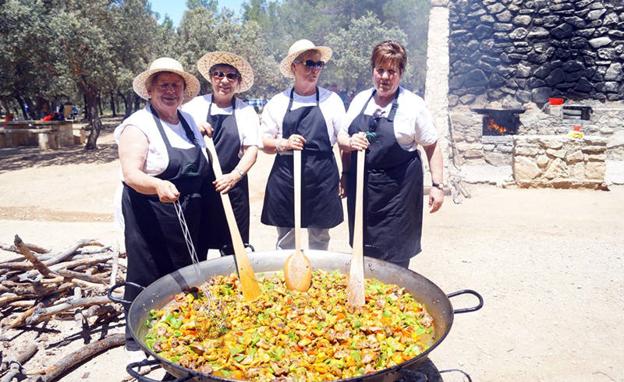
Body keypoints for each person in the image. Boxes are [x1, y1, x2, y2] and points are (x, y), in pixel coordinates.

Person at [113, 57, 205, 351]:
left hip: (188, 211)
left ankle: (183, 330)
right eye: (163, 85)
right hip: (150, 212)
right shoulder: (137, 125)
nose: (170, 91)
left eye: (176, 85)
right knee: (149, 271)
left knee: (187, 270)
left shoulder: (188, 120)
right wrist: (157, 185)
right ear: (150, 91)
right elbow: (131, 174)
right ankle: (139, 338)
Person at [338, 40, 445, 269]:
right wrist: (347, 159)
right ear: (373, 70)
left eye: (391, 71)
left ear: (400, 73)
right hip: (363, 193)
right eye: (380, 70)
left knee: (395, 259)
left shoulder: (413, 105)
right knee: (363, 252)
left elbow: (432, 145)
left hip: (399, 197)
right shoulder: (360, 100)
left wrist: (437, 185)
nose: (385, 77)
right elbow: (341, 137)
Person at [260, 39, 346, 250]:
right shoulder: (278, 102)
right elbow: (263, 141)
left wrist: (346, 174)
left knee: (320, 236)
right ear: (294, 66)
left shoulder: (332, 100)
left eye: (318, 64)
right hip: (286, 177)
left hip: (322, 177)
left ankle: (319, 278)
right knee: (286, 238)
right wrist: (283, 143)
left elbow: (342, 139)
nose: (314, 69)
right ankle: (287, 278)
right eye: (309, 63)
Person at [182, 51, 259, 255]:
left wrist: (234, 176)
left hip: (233, 189)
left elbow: (252, 150)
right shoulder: (193, 108)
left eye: (231, 76)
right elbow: (176, 132)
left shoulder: (246, 112)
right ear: (211, 78)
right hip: (200, 188)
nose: (224, 80)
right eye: (218, 74)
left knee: (234, 249)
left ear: (238, 82)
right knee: (197, 246)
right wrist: (193, 127)